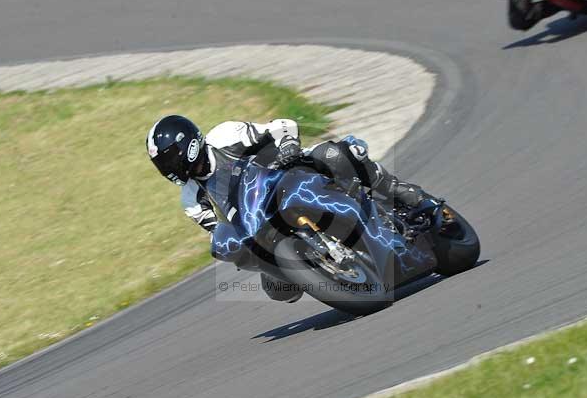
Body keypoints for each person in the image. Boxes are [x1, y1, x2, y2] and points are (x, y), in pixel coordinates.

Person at [146, 114, 440, 302]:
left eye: (169, 160)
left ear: (190, 146)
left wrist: (287, 145)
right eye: (162, 165)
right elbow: (218, 231)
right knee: (276, 289)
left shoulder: (224, 137)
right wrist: (233, 247)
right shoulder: (191, 199)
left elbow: (281, 125)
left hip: (291, 176)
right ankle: (328, 270)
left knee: (338, 154)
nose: (168, 169)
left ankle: (409, 198)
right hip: (262, 222)